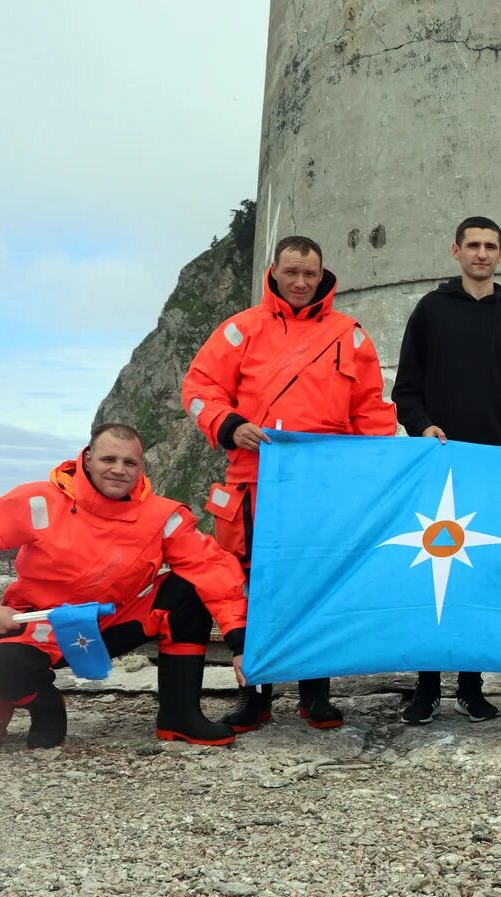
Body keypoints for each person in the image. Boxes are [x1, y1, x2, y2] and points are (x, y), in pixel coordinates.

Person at [182, 235, 396, 732]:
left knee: (320, 586)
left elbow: (371, 410)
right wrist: (231, 425)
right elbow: (198, 389)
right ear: (273, 272)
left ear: (323, 276)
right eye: (292, 273)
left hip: (326, 490)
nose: (301, 283)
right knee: (255, 590)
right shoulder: (240, 330)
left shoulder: (350, 334)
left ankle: (314, 694)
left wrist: (371, 474)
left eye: (310, 274)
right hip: (255, 482)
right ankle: (254, 695)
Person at [0, 425, 249, 748]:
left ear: (141, 468)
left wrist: (240, 644)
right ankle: (47, 708)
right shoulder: (41, 501)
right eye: (109, 459)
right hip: (40, 624)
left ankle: (179, 715)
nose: (118, 470)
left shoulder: (162, 516)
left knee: (188, 588)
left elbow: (212, 567)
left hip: (111, 621)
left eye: (129, 463)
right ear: (88, 460)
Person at [391, 215, 501, 726]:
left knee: (482, 574)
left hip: (497, 469)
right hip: (437, 466)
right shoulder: (430, 311)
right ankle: (426, 686)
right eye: (473, 245)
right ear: (455, 250)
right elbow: (406, 388)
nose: (482, 254)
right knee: (432, 574)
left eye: (491, 246)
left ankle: (472, 685)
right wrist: (422, 426)